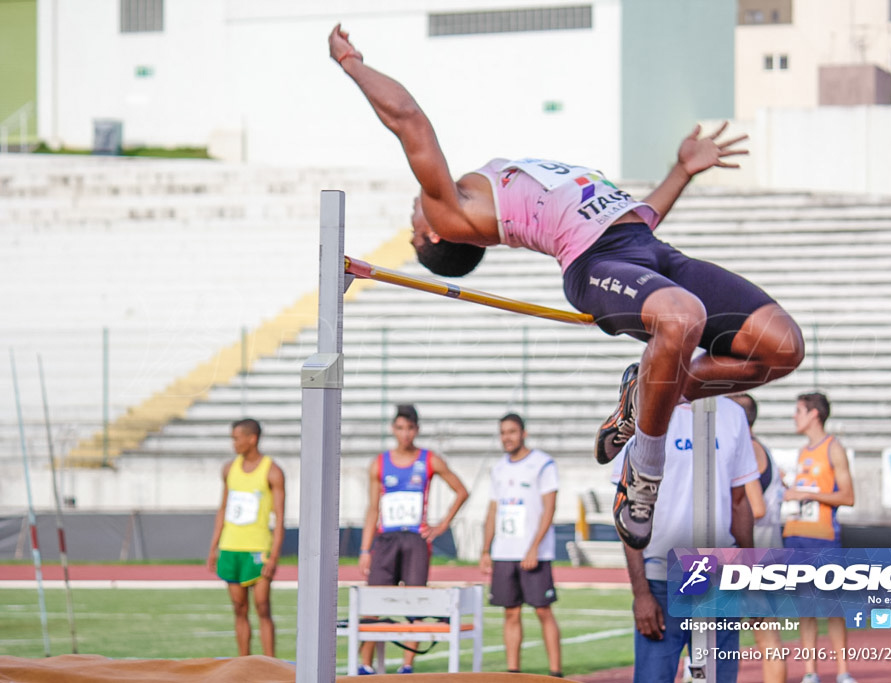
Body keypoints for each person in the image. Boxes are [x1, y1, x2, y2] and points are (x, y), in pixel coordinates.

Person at [328, 26, 805, 552]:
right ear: (436, 232)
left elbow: (634, 223)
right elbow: (408, 119)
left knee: (782, 349)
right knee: (682, 317)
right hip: (594, 264)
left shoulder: (485, 186)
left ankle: (650, 390)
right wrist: (351, 63)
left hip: (644, 246)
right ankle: (643, 477)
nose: (414, 207)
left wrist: (682, 170)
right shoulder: (451, 207)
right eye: (415, 220)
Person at [610, 388, 758, 683]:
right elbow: (628, 511)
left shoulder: (732, 415)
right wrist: (640, 593)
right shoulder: (644, 418)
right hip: (661, 580)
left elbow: (740, 503)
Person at [358, 404, 469, 675]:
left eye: (409, 428)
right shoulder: (380, 463)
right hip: (386, 540)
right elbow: (373, 508)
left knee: (416, 600)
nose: (404, 434)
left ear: (416, 430)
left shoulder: (429, 460)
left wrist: (441, 526)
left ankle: (407, 665)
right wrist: (365, 549)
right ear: (393, 429)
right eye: (399, 428)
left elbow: (461, 491)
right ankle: (365, 664)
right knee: (374, 600)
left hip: (416, 540)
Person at [479, 413, 562, 677]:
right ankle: (513, 672)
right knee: (510, 613)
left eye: (512, 432)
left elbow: (549, 508)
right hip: (504, 552)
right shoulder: (499, 469)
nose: (507, 437)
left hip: (533, 553)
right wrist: (485, 549)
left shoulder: (542, 464)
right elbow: (492, 511)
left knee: (542, 611)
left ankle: (556, 673)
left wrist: (534, 546)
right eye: (503, 432)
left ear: (523, 433)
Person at [782, 393, 856, 683]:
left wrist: (807, 493)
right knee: (805, 607)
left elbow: (848, 496)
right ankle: (810, 672)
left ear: (814, 414)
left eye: (798, 410)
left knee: (833, 606)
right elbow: (804, 490)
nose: (794, 416)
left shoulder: (833, 448)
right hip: (797, 537)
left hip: (823, 539)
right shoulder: (802, 452)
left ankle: (842, 671)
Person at [207, 418, 286, 657]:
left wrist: (274, 556)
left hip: (257, 547)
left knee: (262, 607)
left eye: (236, 438)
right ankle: (244, 662)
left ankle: (270, 664)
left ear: (252, 439)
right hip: (231, 546)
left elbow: (281, 518)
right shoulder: (229, 469)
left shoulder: (272, 471)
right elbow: (223, 509)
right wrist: (214, 547)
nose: (234, 443)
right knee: (239, 608)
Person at [729, 392, 786, 683]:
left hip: (754, 556)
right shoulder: (762, 447)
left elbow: (757, 508)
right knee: (767, 638)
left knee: (759, 639)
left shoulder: (746, 449)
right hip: (769, 552)